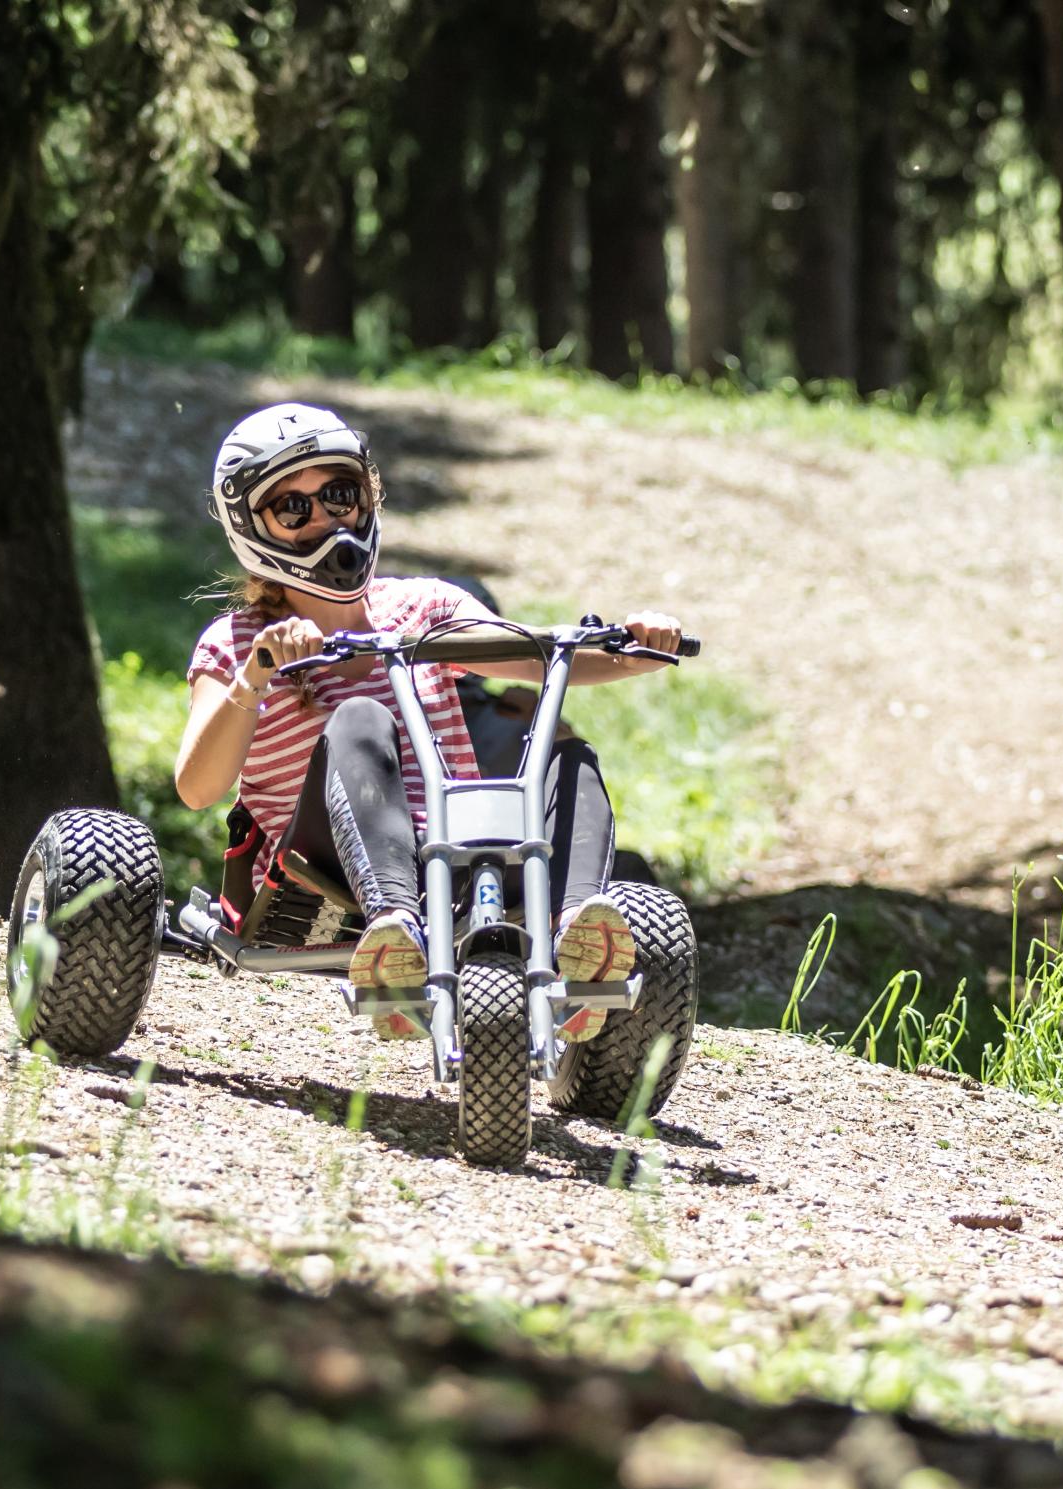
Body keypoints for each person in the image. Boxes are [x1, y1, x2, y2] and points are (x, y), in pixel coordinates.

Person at [174, 402, 683, 1041]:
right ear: (254, 529)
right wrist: (257, 674)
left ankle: (576, 934)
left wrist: (637, 649)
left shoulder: (422, 607)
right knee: (359, 717)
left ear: (367, 496)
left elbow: (539, 658)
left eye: (339, 494)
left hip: (462, 853)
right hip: (323, 875)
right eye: (294, 508)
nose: (327, 521)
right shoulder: (237, 641)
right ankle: (395, 932)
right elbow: (196, 787)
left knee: (567, 756)